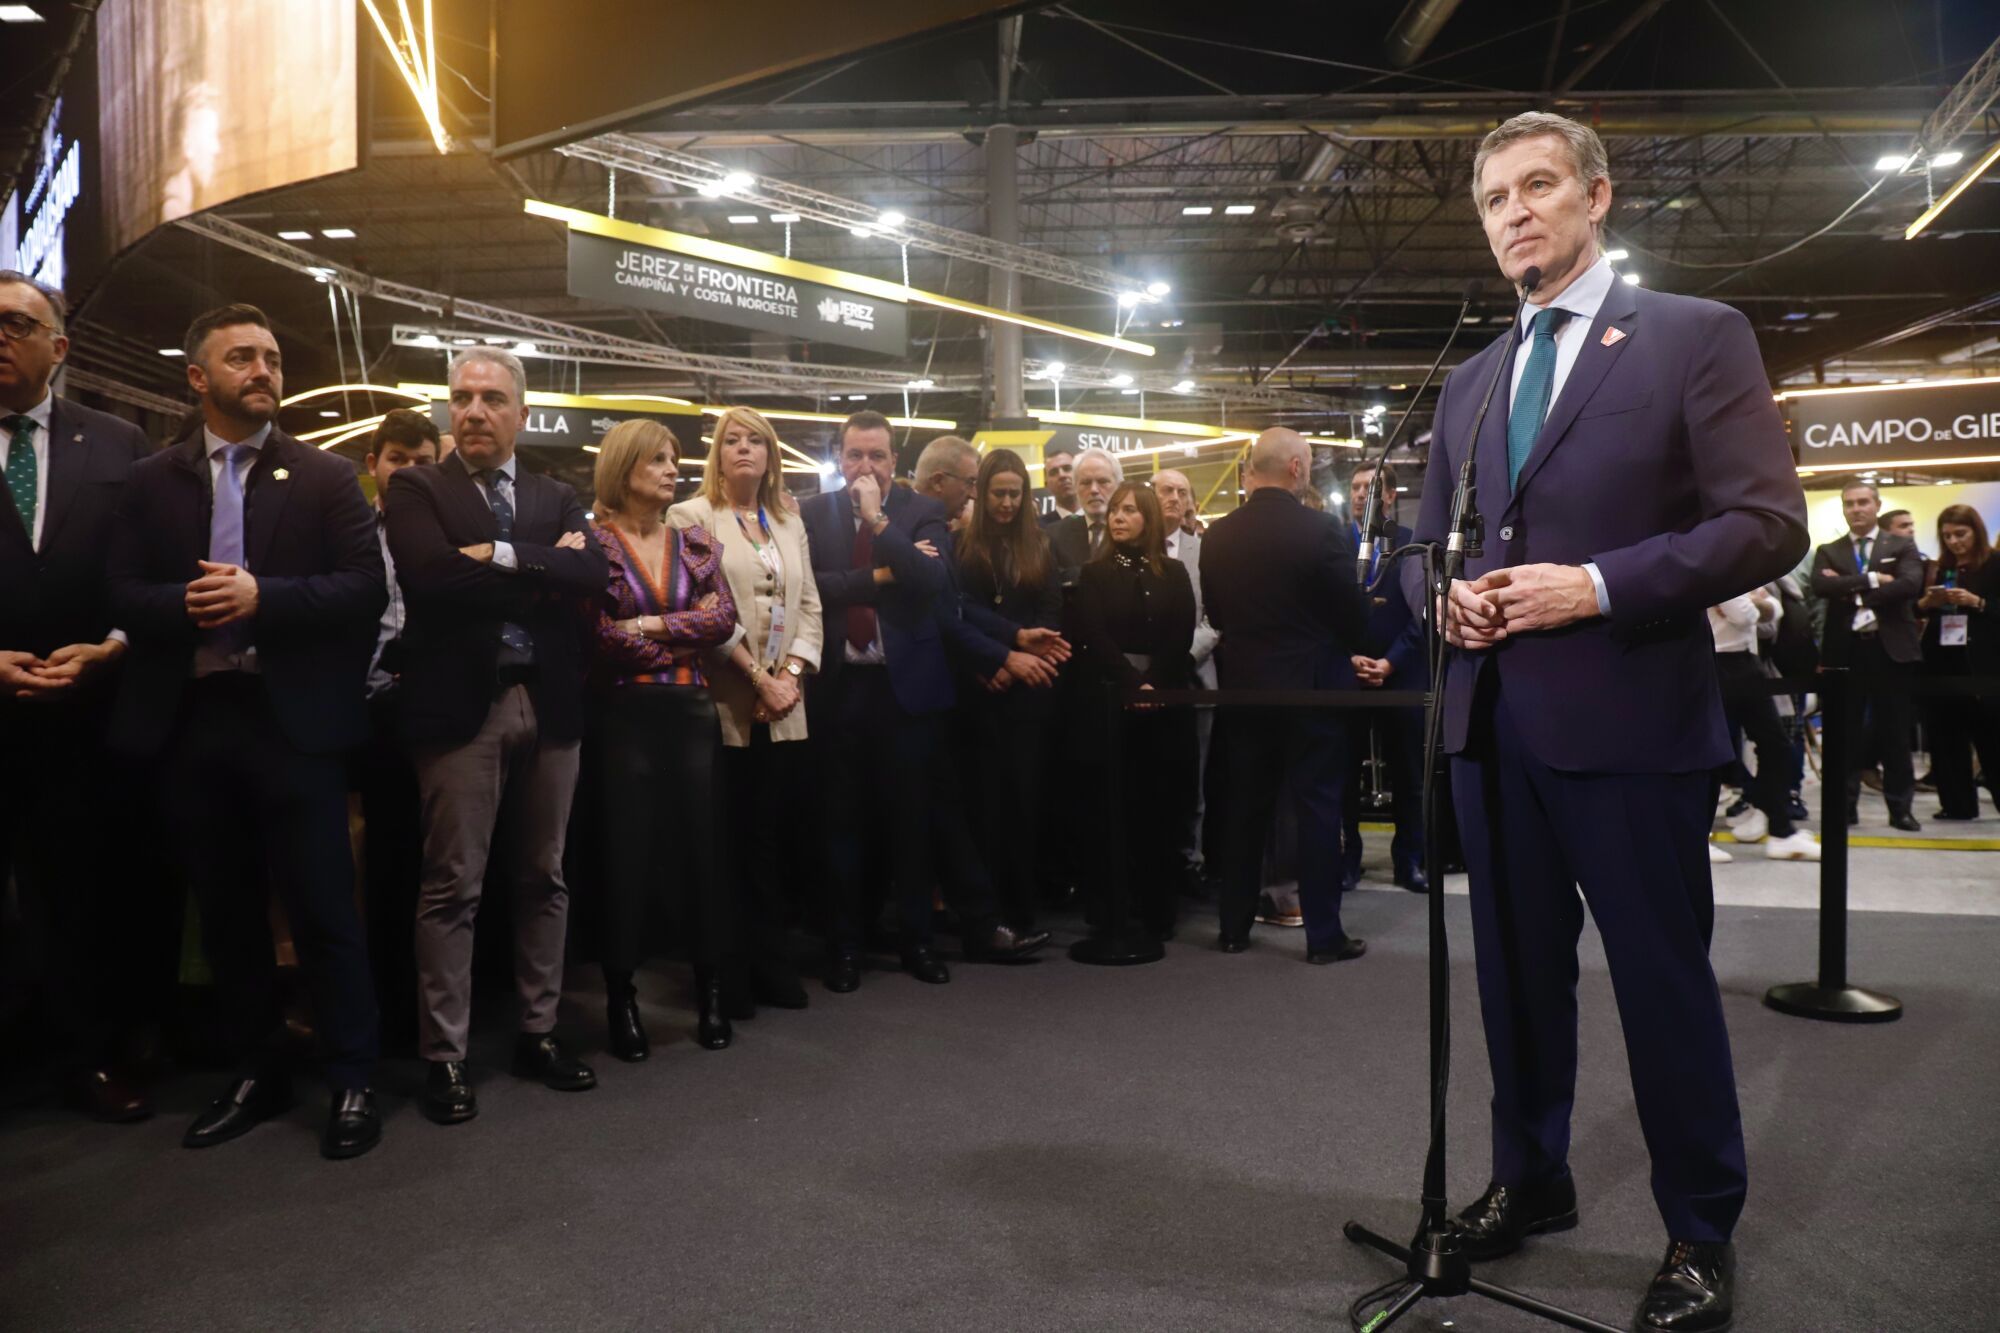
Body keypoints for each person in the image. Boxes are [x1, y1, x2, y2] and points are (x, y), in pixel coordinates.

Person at [1413, 112, 1808, 1331]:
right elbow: (1429, 543)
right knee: (1515, 986)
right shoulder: (1472, 379)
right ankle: (1530, 1179)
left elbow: (1763, 523)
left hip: (1629, 719)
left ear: (1594, 195)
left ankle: (1698, 1228)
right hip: (1490, 725)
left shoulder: (1693, 335)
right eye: (1493, 199)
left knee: (1657, 984)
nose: (1514, 212)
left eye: (1537, 187)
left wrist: (1593, 585)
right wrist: (1439, 598)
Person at [107, 303, 387, 1160]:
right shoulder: (151, 481)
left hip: (291, 720)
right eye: (241, 358)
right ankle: (257, 1068)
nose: (263, 370)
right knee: (226, 911)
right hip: (193, 722)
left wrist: (265, 596)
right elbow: (118, 593)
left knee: (324, 908)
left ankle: (352, 1076)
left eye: (270, 356)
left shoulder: (326, 478)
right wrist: (184, 607)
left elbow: (362, 590)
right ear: (198, 378)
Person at [384, 346, 608, 1125]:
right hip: (459, 712)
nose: (473, 410)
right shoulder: (418, 485)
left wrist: (504, 553)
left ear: (520, 409)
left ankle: (538, 1033)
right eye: (461, 397)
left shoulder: (553, 490)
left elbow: (596, 576)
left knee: (544, 876)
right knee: (454, 884)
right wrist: (546, 566)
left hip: (549, 705)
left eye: (490, 398)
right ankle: (444, 1055)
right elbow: (430, 576)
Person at [0, 271, 156, 1123]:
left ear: (58, 348)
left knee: (81, 895)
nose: (0, 336)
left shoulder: (120, 443)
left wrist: (113, 647)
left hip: (87, 715)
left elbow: (150, 573)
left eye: (18, 324)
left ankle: (86, 1054)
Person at [583, 420, 739, 1058]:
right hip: (624, 716)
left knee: (701, 854)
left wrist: (644, 624)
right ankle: (621, 998)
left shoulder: (694, 541)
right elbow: (597, 634)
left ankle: (710, 993)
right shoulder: (594, 544)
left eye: (675, 459)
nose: (673, 469)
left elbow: (721, 619)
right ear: (623, 469)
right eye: (657, 460)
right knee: (625, 858)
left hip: (691, 711)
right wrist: (675, 633)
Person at [669, 406, 822, 1013]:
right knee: (721, 843)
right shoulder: (692, 516)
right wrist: (759, 678)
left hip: (781, 703)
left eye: (754, 441)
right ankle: (724, 974)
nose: (742, 449)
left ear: (770, 454)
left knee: (767, 838)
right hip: (723, 700)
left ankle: (770, 960)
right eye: (731, 440)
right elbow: (704, 609)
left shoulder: (788, 520)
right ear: (717, 454)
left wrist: (789, 675)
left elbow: (808, 605)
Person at [801, 410, 958, 991]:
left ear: (895, 462)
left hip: (906, 693)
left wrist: (877, 521)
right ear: (840, 459)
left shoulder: (924, 511)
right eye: (855, 456)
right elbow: (814, 584)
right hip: (840, 688)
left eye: (876, 456)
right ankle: (845, 947)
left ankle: (918, 941)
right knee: (842, 823)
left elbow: (931, 581)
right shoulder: (813, 513)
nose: (865, 467)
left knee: (910, 824)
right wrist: (883, 574)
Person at [1201, 429, 1369, 962]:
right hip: (1313, 692)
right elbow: (1353, 614)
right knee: (1318, 812)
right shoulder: (1321, 530)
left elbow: (1218, 616)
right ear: (1298, 469)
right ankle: (1323, 937)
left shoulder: (1218, 535)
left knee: (1244, 809)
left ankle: (1233, 928)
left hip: (1245, 690)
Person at [1071, 482, 1198, 940]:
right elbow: (1093, 636)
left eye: (1129, 510)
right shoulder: (1094, 573)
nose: (1118, 517)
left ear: (1147, 516)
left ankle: (1158, 908)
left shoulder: (1176, 573)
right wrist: (1131, 684)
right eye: (1115, 511)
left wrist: (1154, 684)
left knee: (1159, 808)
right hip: (1108, 704)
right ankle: (1110, 909)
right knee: (1110, 810)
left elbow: (1180, 636)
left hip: (1164, 704)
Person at [955, 448, 1070, 930]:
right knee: (982, 802)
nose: (1006, 503)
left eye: (1014, 494)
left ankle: (1025, 907)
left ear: (1026, 496)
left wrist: (1022, 662)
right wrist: (997, 658)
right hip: (979, 687)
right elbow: (957, 611)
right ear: (982, 494)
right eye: (999, 493)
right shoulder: (959, 545)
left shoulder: (1041, 545)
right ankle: (987, 911)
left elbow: (1050, 614)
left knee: (1025, 799)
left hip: (1030, 693)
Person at [355, 409, 438, 1055]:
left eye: (423, 462)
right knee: (385, 868)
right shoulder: (352, 533)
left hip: (442, 714)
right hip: (371, 713)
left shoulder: (454, 532)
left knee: (444, 871)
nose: (409, 473)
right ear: (374, 465)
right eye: (397, 460)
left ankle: (442, 1009)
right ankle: (387, 1008)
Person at [1809, 477, 1923, 830]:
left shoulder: (1901, 545)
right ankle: (1844, 808)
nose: (1856, 509)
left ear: (1876, 506)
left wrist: (1853, 590)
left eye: (1862, 502)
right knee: (1844, 733)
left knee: (1895, 734)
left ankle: (1900, 809)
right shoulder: (1830, 549)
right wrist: (1874, 579)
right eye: (1849, 503)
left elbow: (1908, 584)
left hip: (1891, 652)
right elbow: (1821, 585)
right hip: (1846, 651)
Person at [1342, 462, 1428, 892]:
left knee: (1409, 776)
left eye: (1370, 487)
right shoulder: (1338, 544)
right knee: (1343, 776)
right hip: (1348, 675)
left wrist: (1391, 662)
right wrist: (1350, 656)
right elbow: (1327, 609)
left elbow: (1422, 613)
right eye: (1355, 487)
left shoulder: (1411, 544)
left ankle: (1409, 861)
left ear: (1390, 495)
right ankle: (1347, 860)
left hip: (1402, 676)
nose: (1361, 494)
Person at [1708, 591, 1820, 860]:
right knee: (1713, 753)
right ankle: (1700, 835)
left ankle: (1780, 829)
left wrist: (1756, 606)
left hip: (1745, 661)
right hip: (1718, 660)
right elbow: (1744, 614)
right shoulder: (1718, 560)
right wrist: (1757, 606)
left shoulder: (1739, 563)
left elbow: (1773, 609)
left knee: (1777, 745)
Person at [1153, 468, 1220, 892]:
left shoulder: (1205, 551)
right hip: (1142, 683)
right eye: (1166, 491)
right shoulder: (1131, 549)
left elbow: (1216, 616)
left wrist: (1180, 655)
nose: (1175, 498)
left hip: (1196, 679)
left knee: (1196, 781)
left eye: (1182, 491)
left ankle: (1191, 861)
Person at [1919, 504, 2000, 820]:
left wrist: (1977, 603)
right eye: (1948, 535)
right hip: (1942, 662)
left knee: (1992, 739)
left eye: (1960, 534)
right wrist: (1928, 602)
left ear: (1975, 531)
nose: (1954, 541)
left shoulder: (1994, 564)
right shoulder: (1940, 568)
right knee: (1946, 738)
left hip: (1985, 665)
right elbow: (1919, 609)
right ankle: (1956, 805)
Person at [1048, 448, 1121, 578]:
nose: (1093, 490)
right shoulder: (1055, 536)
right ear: (1075, 488)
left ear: (1118, 485)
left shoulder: (1137, 532)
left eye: (1103, 481)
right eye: (1085, 483)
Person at [913, 433, 980, 532]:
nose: (974, 495)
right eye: (969, 482)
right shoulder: (898, 530)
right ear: (938, 482)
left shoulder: (938, 527)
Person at [1038, 446, 1080, 525]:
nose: (1062, 475)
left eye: (1067, 468)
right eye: (1053, 472)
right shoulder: (1037, 528)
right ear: (1046, 484)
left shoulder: (1103, 521)